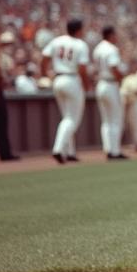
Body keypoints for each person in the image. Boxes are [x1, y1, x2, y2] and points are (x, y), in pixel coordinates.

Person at [41, 18, 90, 164]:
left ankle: (70, 152)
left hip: (58, 79)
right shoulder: (80, 44)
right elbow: (82, 69)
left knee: (67, 117)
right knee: (71, 119)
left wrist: (45, 74)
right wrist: (86, 85)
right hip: (72, 79)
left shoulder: (57, 40)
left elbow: (44, 58)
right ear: (79, 30)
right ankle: (58, 149)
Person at [92, 26, 128, 160]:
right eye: (115, 34)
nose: (116, 37)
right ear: (111, 35)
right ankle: (115, 151)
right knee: (115, 119)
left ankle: (108, 149)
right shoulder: (111, 49)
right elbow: (114, 68)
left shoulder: (98, 48)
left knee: (106, 120)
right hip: (111, 84)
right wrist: (121, 78)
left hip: (101, 83)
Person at [0, 29, 21, 161]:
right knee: (1, 124)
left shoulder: (3, 57)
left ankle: (5, 153)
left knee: (1, 125)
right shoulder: (0, 56)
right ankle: (5, 153)